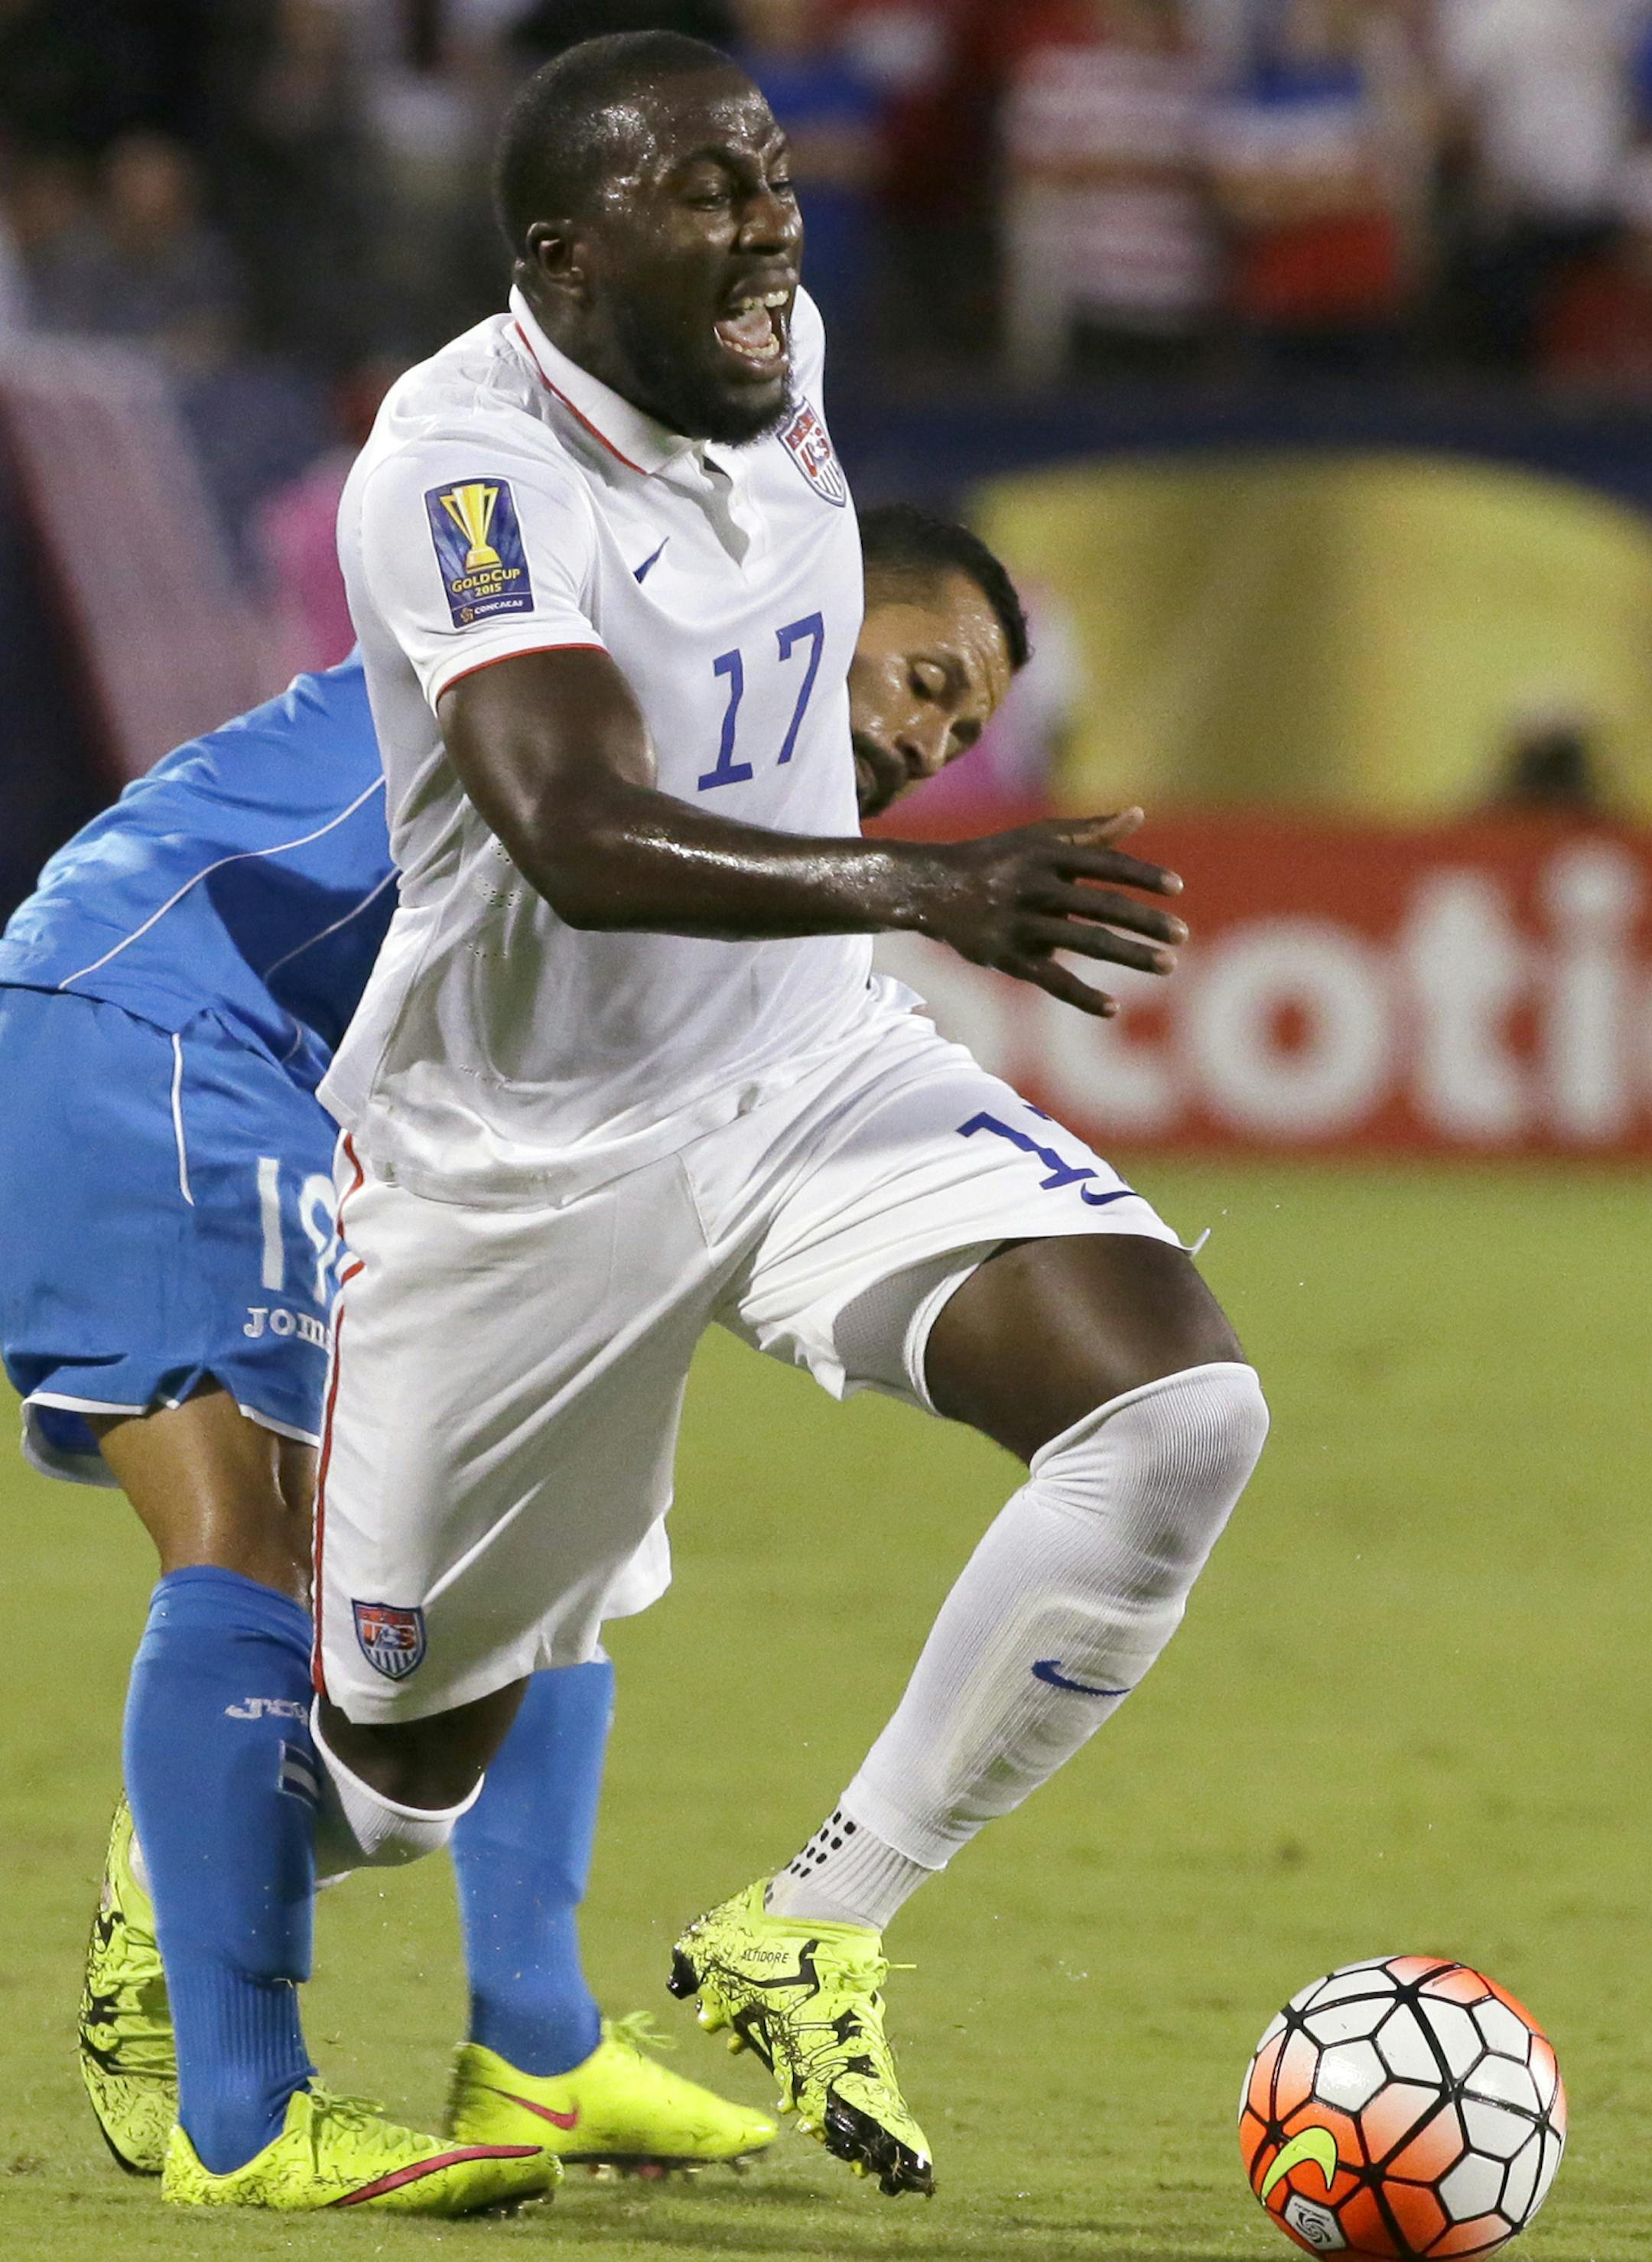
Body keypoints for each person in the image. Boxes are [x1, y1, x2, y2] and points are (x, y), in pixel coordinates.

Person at [311, 24, 1267, 2210]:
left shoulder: (776, 340)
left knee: (1179, 1411)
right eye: (709, 195)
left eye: (769, 180)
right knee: (386, 1784)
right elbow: (563, 820)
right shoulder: (454, 472)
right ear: (560, 253)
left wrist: (876, 863)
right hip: (522, 1158)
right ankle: (186, 1854)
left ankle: (809, 1918)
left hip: (800, 1055)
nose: (769, 227)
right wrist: (929, 879)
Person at [0, 505, 1028, 2212]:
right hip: (164, 1018)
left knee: (523, 1502)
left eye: (964, 732)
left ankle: (535, 2046)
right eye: (923, 678)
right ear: (817, 604)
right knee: (256, 1537)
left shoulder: (713, 801)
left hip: (291, 1077)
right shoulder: (622, 679)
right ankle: (244, 2112)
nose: (925, 739)